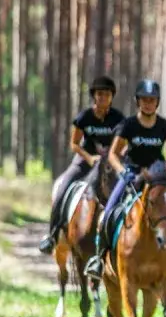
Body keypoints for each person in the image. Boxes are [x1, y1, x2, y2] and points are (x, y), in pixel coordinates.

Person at [83, 79, 166, 281]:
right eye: (144, 100)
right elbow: (113, 154)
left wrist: (164, 169)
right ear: (138, 101)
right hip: (132, 173)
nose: (148, 103)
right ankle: (99, 260)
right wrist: (122, 171)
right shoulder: (128, 126)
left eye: (152, 100)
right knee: (109, 211)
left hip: (157, 176)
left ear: (157, 102)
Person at [38, 76, 124, 254]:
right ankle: (52, 234)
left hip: (109, 165)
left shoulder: (118, 118)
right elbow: (74, 144)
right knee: (63, 187)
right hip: (84, 162)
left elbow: (124, 143)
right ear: (94, 96)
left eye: (107, 94)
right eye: (99, 94)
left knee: (126, 188)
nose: (103, 98)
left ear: (112, 97)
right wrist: (89, 157)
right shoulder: (84, 117)